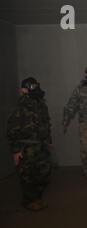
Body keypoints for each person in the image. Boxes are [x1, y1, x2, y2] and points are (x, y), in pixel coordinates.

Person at [6, 78, 52, 211]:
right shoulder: (20, 108)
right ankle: (29, 201)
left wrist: (49, 141)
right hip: (26, 147)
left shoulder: (42, 106)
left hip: (41, 145)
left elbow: (46, 124)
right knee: (27, 175)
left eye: (35, 85)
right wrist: (16, 151)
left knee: (44, 173)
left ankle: (37, 198)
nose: (34, 88)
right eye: (30, 86)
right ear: (23, 90)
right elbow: (12, 130)